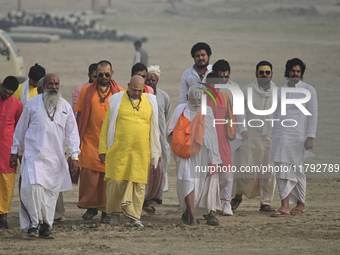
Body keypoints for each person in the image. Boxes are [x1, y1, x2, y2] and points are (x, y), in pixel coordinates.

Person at [10, 73, 80, 238]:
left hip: (55, 159)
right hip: (34, 156)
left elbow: (72, 133)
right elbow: (20, 130)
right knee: (33, 190)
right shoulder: (32, 104)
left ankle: (46, 226)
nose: (54, 87)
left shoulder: (65, 106)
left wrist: (75, 156)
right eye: (50, 84)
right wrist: (14, 151)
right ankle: (32, 225)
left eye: (56, 84)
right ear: (44, 86)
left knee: (50, 194)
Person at [98, 75, 161, 227]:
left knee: (138, 184)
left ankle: (135, 217)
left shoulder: (150, 101)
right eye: (134, 90)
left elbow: (155, 129)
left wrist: (155, 152)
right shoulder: (116, 100)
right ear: (128, 86)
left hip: (140, 152)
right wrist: (102, 149)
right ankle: (114, 214)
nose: (137, 93)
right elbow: (106, 126)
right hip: (118, 151)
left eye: (140, 90)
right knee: (115, 182)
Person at [75, 60, 125, 223]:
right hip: (90, 138)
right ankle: (91, 207)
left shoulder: (121, 93)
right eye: (100, 74)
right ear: (95, 74)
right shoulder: (86, 91)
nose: (103, 77)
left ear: (112, 73)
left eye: (107, 74)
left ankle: (106, 210)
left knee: (107, 177)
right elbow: (80, 115)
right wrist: (76, 137)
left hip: (111, 141)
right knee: (90, 176)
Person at [167, 86, 222, 226]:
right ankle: (192, 216)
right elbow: (170, 131)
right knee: (188, 181)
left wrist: (214, 160)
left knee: (202, 184)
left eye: (199, 99)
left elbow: (212, 136)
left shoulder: (207, 111)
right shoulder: (181, 110)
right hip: (185, 155)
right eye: (193, 99)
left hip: (203, 155)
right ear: (187, 98)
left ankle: (198, 213)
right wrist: (182, 143)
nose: (197, 102)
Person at [270, 58, 318, 217]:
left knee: (297, 170)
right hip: (280, 135)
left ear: (301, 73)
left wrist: (310, 136)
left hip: (298, 137)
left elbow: (313, 115)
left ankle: (301, 203)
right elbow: (276, 114)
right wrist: (273, 134)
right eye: (292, 70)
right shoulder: (280, 90)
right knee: (281, 169)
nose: (295, 73)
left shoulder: (309, 89)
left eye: (298, 71)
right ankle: (284, 206)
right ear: (287, 72)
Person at [231, 61, 277, 212]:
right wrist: (241, 129)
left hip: (270, 137)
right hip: (249, 136)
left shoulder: (278, 92)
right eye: (261, 72)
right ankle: (237, 196)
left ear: (271, 74)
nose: (264, 75)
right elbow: (239, 112)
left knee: (268, 171)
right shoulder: (247, 90)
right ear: (256, 73)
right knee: (244, 168)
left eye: (267, 72)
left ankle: (266, 202)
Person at [211, 59, 247, 215]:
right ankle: (211, 199)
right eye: (221, 76)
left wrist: (243, 128)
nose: (224, 79)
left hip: (228, 136)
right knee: (212, 168)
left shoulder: (235, 89)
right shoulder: (209, 89)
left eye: (226, 76)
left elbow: (239, 111)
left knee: (227, 169)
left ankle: (226, 202)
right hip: (211, 135)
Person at [204, 72, 236, 216]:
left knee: (227, 176)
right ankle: (212, 203)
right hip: (208, 144)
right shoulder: (201, 98)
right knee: (210, 176)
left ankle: (223, 200)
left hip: (224, 142)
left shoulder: (225, 97)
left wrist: (233, 132)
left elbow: (230, 116)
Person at [143, 65, 171, 212]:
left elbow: (165, 116)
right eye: (148, 79)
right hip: (144, 140)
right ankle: (144, 201)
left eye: (153, 80)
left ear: (157, 81)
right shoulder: (141, 95)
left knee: (159, 170)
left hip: (159, 140)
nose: (151, 82)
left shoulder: (164, 97)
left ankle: (154, 198)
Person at [0, 76, 22, 229]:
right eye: (5, 91)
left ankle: (4, 217)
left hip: (8, 150)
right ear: (1, 86)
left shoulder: (17, 105)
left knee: (7, 184)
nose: (7, 95)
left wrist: (17, 153)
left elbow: (19, 130)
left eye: (11, 93)